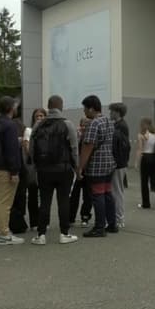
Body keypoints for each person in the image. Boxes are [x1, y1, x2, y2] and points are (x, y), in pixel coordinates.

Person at [29, 95, 79, 245]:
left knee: (44, 201)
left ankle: (41, 235)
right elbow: (74, 148)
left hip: (44, 170)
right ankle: (64, 233)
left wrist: (35, 164)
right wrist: (77, 167)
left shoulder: (39, 125)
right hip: (64, 169)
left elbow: (31, 148)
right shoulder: (68, 124)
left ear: (48, 106)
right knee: (64, 200)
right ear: (61, 106)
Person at [0, 96, 24, 245]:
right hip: (5, 168)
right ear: (10, 108)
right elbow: (11, 151)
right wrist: (14, 172)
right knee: (5, 202)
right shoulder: (10, 125)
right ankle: (4, 233)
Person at [77, 95, 117, 237]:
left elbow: (88, 146)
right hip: (109, 163)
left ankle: (99, 227)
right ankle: (112, 224)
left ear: (91, 108)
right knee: (107, 193)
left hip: (97, 165)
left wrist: (80, 167)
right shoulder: (108, 121)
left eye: (85, 108)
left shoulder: (94, 124)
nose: (84, 112)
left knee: (97, 195)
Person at [109, 102, 130, 228]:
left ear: (117, 112)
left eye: (111, 111)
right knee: (117, 190)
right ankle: (118, 217)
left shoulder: (120, 126)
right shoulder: (119, 125)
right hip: (120, 163)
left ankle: (119, 218)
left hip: (118, 163)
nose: (110, 113)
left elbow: (121, 147)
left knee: (117, 191)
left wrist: (116, 162)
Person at [69, 117, 93, 226]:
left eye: (86, 125)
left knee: (88, 196)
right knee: (74, 195)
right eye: (82, 125)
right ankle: (71, 218)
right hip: (76, 169)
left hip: (88, 170)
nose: (84, 127)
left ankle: (85, 216)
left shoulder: (91, 138)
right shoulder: (77, 137)